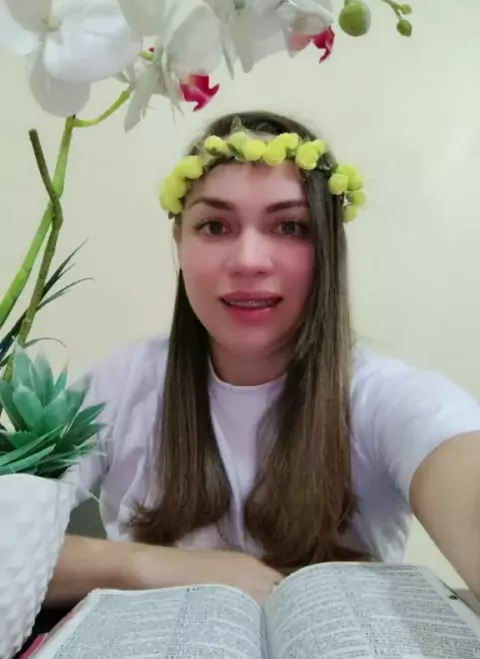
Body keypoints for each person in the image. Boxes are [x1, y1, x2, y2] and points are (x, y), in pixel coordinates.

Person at [47, 111, 480, 608]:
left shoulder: (386, 398)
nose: (249, 261)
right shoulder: (117, 386)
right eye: (215, 226)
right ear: (179, 242)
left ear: (329, 248)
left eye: (290, 226)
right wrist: (161, 567)